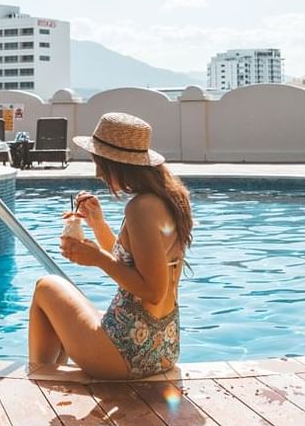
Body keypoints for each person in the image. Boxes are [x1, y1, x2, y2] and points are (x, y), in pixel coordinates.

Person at [28, 112, 193, 379]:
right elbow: (136, 262)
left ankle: (38, 378)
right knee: (68, 301)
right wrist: (97, 223)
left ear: (118, 163)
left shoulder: (139, 208)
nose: (97, 173)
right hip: (162, 348)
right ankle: (48, 375)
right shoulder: (168, 200)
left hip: (126, 355)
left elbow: (153, 290)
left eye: (100, 164)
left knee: (46, 286)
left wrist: (97, 258)